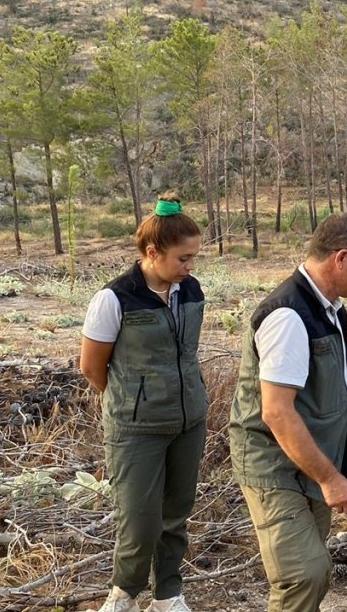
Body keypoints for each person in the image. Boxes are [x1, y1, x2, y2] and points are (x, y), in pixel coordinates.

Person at [229, 214, 347, 612]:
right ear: (342, 258)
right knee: (303, 574)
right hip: (275, 465)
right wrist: (330, 479)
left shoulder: (330, 308)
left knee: (314, 572)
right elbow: (276, 413)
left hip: (309, 459)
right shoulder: (288, 316)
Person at [79, 193, 206, 612]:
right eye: (183, 259)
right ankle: (125, 593)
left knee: (176, 514)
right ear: (152, 252)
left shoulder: (190, 291)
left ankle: (168, 594)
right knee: (139, 520)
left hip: (188, 421)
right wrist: (133, 400)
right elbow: (92, 367)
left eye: (193, 259)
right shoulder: (114, 299)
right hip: (134, 429)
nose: (190, 268)